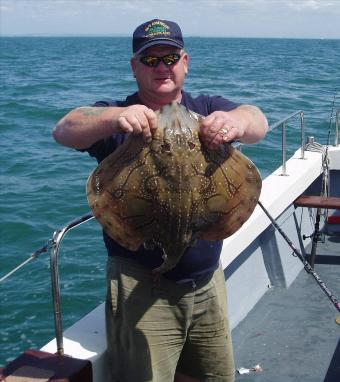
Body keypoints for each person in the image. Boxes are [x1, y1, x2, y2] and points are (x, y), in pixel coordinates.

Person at [53, 19, 268, 382]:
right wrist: (116, 118)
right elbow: (65, 129)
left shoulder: (207, 107)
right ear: (134, 67)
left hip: (207, 282)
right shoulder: (121, 116)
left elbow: (257, 120)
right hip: (142, 286)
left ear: (185, 61)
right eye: (150, 60)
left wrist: (233, 121)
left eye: (169, 57)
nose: (162, 67)